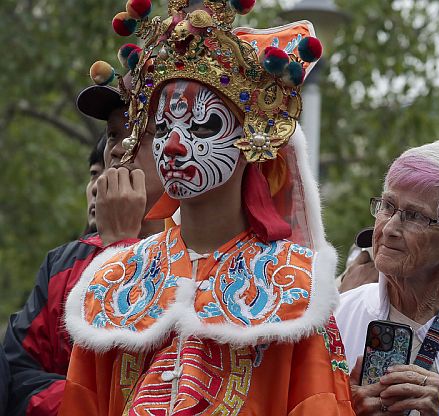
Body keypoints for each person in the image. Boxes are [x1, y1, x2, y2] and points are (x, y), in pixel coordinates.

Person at [60, 2, 354, 414]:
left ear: (251, 139)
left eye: (203, 125)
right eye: (162, 127)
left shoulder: (297, 287)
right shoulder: (113, 280)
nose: (174, 146)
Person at [2, 71, 164, 416]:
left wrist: (120, 248)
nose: (119, 147)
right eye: (113, 134)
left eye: (140, 133)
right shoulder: (65, 263)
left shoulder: (207, 256)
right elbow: (16, 375)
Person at [335, 139, 439, 415]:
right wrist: (341, 408)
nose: (388, 228)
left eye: (414, 216)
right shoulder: (337, 316)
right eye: (387, 206)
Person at [83, 134, 107, 235]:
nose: (95, 188)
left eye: (113, 174)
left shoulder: (157, 249)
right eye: (94, 173)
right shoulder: (65, 251)